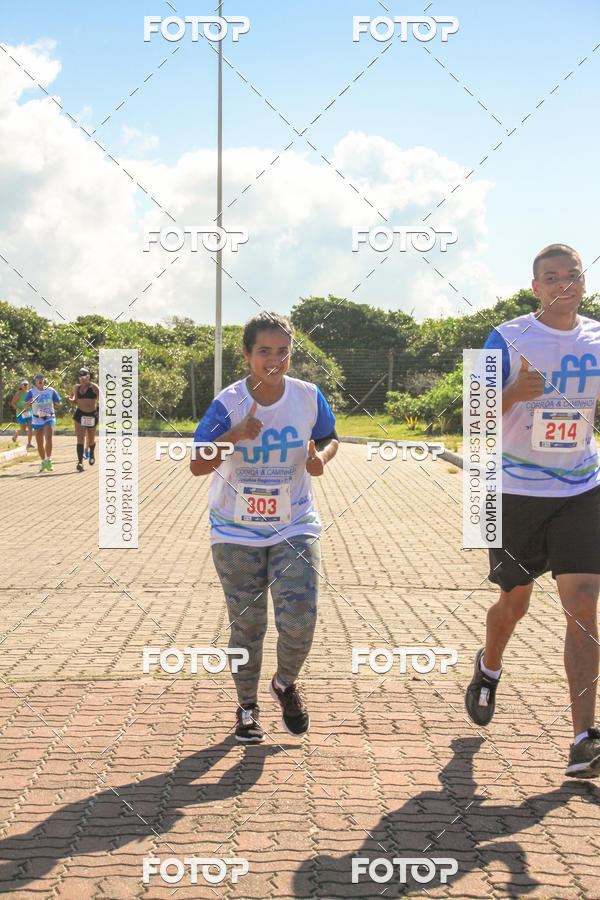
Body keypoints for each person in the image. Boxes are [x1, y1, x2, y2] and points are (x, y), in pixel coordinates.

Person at [465, 243, 600, 778]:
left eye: (573, 275)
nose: (564, 284)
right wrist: (514, 393)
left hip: (582, 488)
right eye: (552, 277)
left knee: (584, 601)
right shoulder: (506, 335)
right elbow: (472, 419)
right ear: (535, 287)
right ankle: (489, 664)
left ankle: (583, 737)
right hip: (515, 491)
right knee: (513, 604)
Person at [190, 312, 339, 743]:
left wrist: (320, 460)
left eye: (282, 351)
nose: (274, 360)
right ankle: (246, 708)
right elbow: (198, 464)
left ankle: (285, 683)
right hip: (235, 530)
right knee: (248, 625)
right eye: (264, 352)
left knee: (300, 620)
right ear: (247, 354)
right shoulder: (229, 403)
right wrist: (232, 436)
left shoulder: (308, 396)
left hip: (294, 522)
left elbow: (330, 438)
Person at [22, 374, 62, 472]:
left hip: (49, 417)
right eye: (37, 380)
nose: (40, 381)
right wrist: (30, 401)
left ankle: (48, 459)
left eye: (41, 379)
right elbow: (24, 405)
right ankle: (43, 461)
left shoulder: (51, 390)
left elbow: (59, 402)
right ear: (35, 382)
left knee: (49, 437)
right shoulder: (32, 392)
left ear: (44, 381)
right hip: (37, 419)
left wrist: (60, 402)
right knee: (39, 443)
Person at [67, 367, 100, 471]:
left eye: (84, 376)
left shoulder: (94, 387)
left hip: (91, 414)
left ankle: (91, 453)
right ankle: (80, 462)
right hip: (80, 414)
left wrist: (99, 411)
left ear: (88, 376)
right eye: (80, 377)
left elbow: (103, 401)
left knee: (91, 438)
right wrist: (70, 399)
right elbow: (75, 400)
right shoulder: (76, 388)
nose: (82, 379)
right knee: (80, 438)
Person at [10, 379, 34, 448]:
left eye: (26, 384)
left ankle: (29, 443)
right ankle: (16, 433)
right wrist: (19, 409)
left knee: (30, 428)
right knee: (23, 430)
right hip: (20, 413)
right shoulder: (19, 393)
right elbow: (13, 403)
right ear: (21, 386)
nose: (25, 386)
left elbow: (32, 402)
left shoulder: (30, 393)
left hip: (29, 412)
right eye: (24, 385)